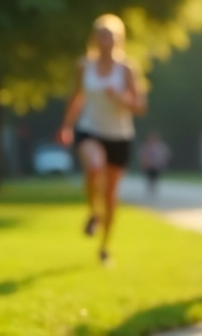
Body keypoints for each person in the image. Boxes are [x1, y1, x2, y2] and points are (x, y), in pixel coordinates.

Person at [59, 14, 148, 265]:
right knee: (94, 167)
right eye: (101, 34)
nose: (105, 39)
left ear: (118, 39)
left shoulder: (127, 69)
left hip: (119, 135)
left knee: (110, 195)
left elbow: (140, 106)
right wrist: (66, 125)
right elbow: (76, 97)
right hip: (90, 129)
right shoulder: (83, 66)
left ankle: (104, 246)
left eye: (110, 35)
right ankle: (92, 212)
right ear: (94, 38)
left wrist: (121, 98)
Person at [139, 132, 172, 199]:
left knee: (155, 177)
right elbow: (142, 155)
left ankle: (153, 187)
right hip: (149, 165)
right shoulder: (146, 146)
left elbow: (167, 154)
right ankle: (150, 187)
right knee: (149, 177)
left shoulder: (161, 146)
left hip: (157, 165)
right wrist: (144, 163)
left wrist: (163, 161)